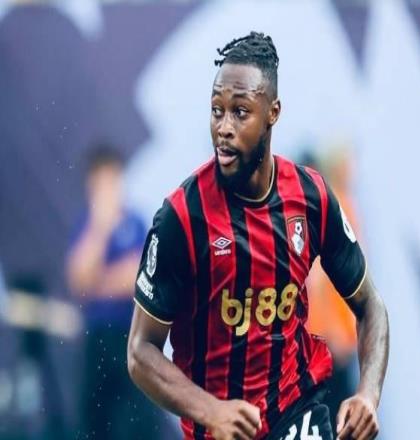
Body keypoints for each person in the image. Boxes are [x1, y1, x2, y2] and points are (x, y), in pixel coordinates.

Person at [127, 32, 389, 440]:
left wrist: (368, 395)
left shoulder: (311, 197)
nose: (224, 128)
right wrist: (212, 411)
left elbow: (370, 306)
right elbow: (140, 351)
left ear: (272, 113)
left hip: (297, 412)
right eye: (217, 111)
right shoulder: (182, 217)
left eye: (240, 112)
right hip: (219, 429)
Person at [67, 145, 164, 439]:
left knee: (139, 420)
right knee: (95, 421)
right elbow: (78, 279)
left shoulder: (136, 222)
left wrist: (98, 282)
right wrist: (101, 227)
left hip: (132, 335)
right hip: (96, 337)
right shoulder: (87, 226)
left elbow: (139, 276)